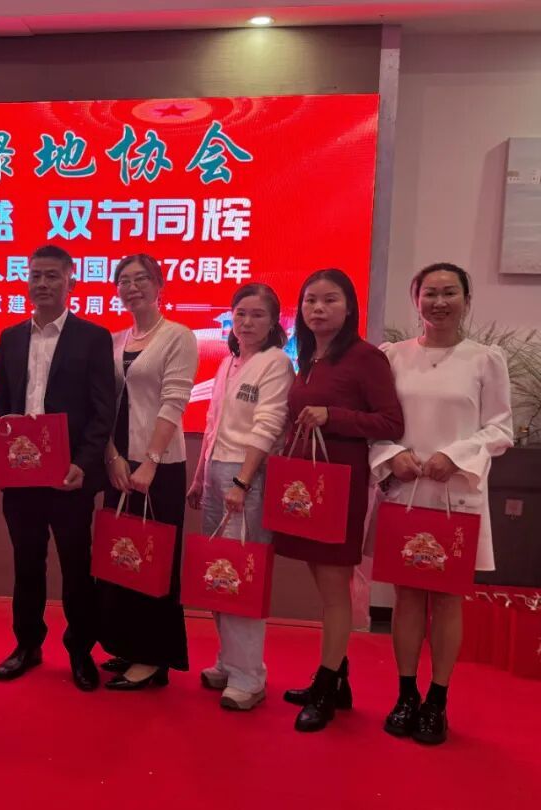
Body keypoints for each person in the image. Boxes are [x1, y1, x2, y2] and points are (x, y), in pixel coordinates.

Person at [371, 262, 512, 745]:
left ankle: (437, 700)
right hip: (406, 491)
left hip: (458, 494)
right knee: (407, 596)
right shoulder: (392, 357)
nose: (439, 302)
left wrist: (455, 455)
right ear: (416, 300)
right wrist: (392, 455)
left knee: (448, 599)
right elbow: (378, 423)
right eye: (429, 293)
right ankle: (406, 694)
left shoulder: (484, 359)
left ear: (466, 300)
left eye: (450, 293)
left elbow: (500, 428)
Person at [275, 268, 404, 732]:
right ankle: (338, 677)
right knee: (323, 583)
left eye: (330, 300)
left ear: (349, 307)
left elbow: (391, 423)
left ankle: (326, 688)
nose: (318, 308)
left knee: (334, 591)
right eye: (310, 300)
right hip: (309, 486)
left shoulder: (366, 357)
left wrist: (333, 416)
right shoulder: (309, 355)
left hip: (341, 486)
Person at [0, 244, 115, 691]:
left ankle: (80, 651)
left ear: (70, 282)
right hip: (20, 476)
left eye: (52, 276)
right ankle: (27, 644)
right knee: (26, 564)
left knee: (77, 567)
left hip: (69, 477)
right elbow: (0, 404)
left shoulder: (93, 337)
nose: (42, 284)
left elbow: (103, 412)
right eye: (36, 275)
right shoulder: (10, 337)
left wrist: (83, 463)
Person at [187, 283, 293, 710]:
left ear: (274, 322)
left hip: (247, 476)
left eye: (258, 315)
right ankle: (229, 662)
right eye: (241, 314)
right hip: (217, 472)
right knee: (218, 573)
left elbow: (268, 426)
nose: (247, 323)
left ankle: (250, 676)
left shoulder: (276, 363)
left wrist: (243, 482)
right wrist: (200, 478)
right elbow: (212, 425)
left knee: (241, 577)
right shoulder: (228, 362)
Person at [97, 255, 197, 691]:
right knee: (121, 558)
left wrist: (150, 461)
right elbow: (102, 406)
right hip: (118, 464)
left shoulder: (178, 336)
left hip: (159, 467)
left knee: (154, 560)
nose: (132, 287)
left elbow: (174, 402)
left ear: (159, 284)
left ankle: (154, 657)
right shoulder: (114, 340)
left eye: (141, 279)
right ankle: (128, 645)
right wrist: (112, 457)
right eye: (124, 280)